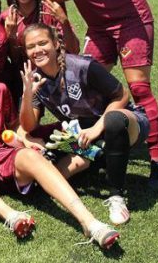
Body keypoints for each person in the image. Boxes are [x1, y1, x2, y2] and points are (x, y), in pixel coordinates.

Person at [0, 45, 120, 249]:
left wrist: (25, 141)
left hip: (3, 157)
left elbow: (13, 128)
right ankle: (10, 215)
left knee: (32, 154)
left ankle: (90, 223)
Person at [40, 0, 158, 188]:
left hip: (129, 20)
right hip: (99, 28)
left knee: (140, 88)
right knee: (81, 79)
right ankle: (96, 141)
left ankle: (157, 161)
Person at [19, 23, 149, 225]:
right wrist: (28, 95)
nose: (37, 50)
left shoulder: (82, 66)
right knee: (52, 178)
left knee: (113, 122)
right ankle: (97, 158)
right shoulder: (35, 79)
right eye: (31, 46)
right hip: (84, 137)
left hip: (125, 123)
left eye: (43, 43)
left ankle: (116, 195)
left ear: (55, 44)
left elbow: (122, 95)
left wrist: (97, 128)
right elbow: (28, 126)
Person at [0, 0, 79, 107]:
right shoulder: (7, 17)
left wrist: (64, 22)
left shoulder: (50, 10)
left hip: (57, 70)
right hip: (27, 74)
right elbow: (15, 59)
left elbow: (74, 49)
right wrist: (11, 37)